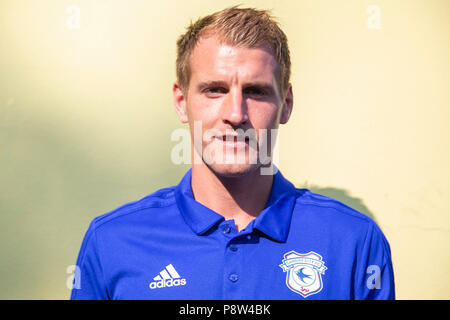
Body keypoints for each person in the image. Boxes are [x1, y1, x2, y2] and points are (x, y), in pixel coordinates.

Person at [71, 6, 395, 300]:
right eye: (215, 89)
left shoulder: (354, 242)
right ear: (181, 102)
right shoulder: (112, 242)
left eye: (255, 91)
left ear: (286, 104)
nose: (236, 113)